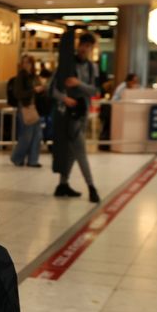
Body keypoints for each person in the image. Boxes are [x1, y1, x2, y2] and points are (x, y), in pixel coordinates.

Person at [50, 30, 100, 202]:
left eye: (88, 46)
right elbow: (52, 90)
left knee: (72, 151)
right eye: (83, 45)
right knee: (80, 151)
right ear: (78, 46)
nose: (85, 49)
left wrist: (79, 84)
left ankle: (62, 184)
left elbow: (94, 90)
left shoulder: (92, 67)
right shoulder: (66, 65)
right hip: (68, 116)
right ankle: (91, 186)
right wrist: (65, 98)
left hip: (82, 113)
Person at [10, 54, 45, 167]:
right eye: (24, 62)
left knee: (37, 135)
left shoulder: (33, 76)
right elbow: (18, 93)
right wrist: (34, 90)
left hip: (34, 108)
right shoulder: (21, 76)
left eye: (28, 62)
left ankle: (33, 160)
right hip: (25, 108)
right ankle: (17, 158)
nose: (26, 65)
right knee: (27, 136)